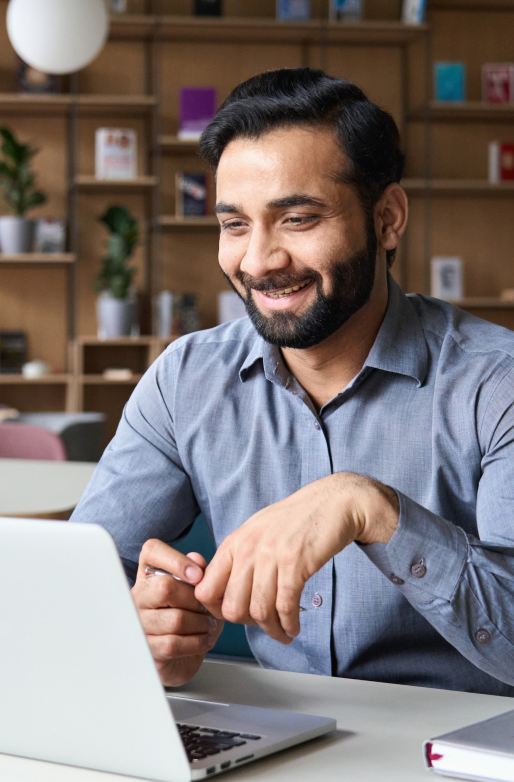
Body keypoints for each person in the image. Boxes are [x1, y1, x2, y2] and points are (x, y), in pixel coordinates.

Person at [71, 67, 514, 696]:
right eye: (234, 225)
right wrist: (133, 630)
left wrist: (370, 507)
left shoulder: (498, 384)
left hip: (452, 748)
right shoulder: (186, 380)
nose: (258, 261)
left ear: (387, 219)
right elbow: (73, 587)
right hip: (274, 735)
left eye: (298, 219)